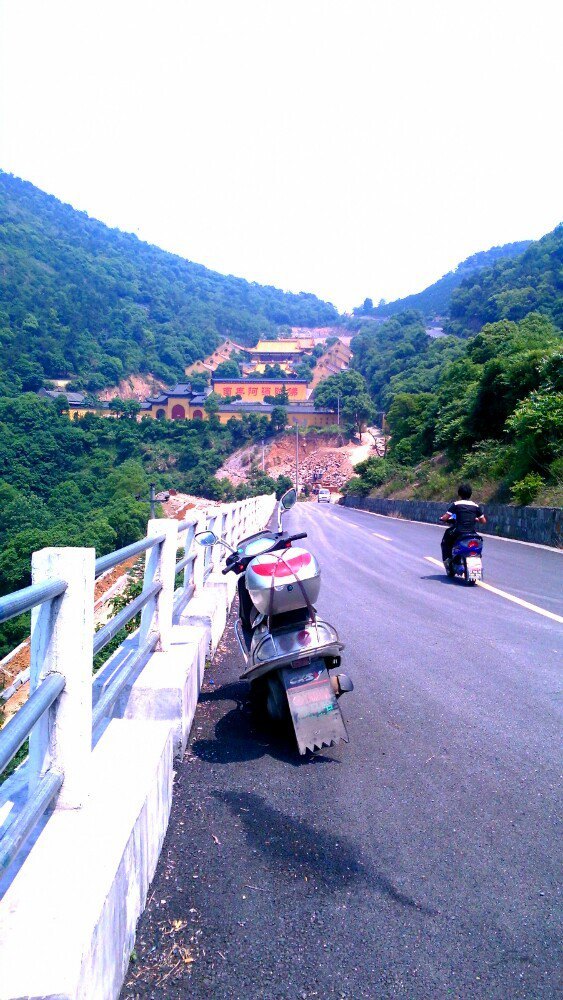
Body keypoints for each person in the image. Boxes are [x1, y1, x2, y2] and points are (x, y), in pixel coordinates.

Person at [440, 483, 486, 564]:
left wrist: (442, 518)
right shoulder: (475, 506)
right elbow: (483, 521)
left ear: (459, 493)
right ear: (470, 494)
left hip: (458, 532)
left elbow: (445, 517)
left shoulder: (456, 504)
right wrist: (475, 519)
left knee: (446, 540)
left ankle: (448, 560)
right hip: (471, 532)